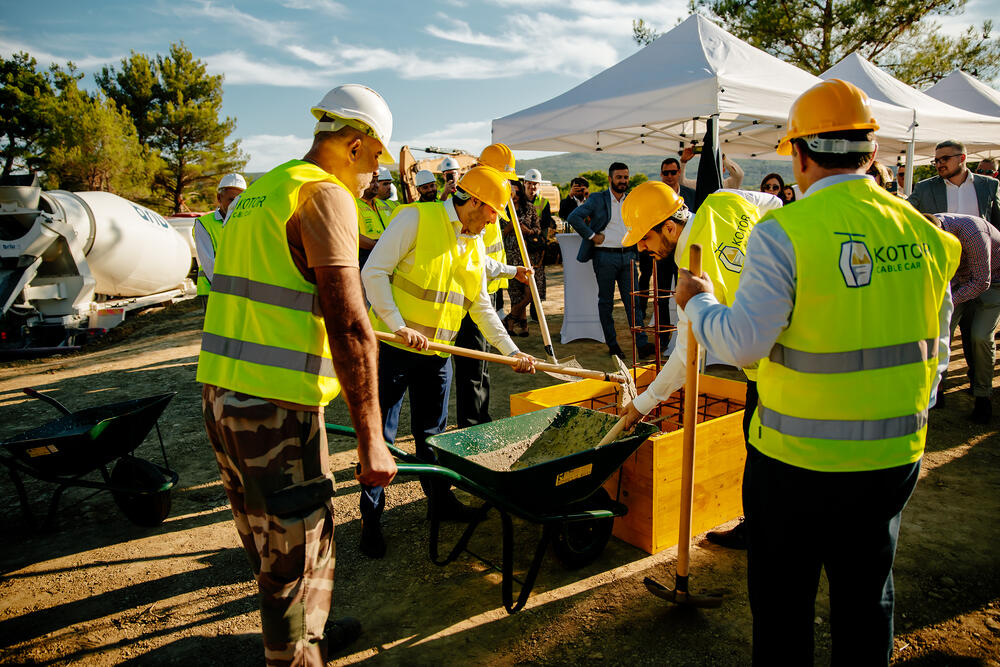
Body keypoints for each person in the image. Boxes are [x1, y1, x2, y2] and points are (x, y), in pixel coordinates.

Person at [675, 79, 960, 663]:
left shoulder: (784, 234)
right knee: (865, 600)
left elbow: (746, 344)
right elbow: (938, 343)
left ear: (800, 155)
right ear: (872, 153)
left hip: (795, 462)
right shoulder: (925, 233)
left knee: (784, 608)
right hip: (892, 455)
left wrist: (698, 304)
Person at [196, 84, 399, 665]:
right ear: (357, 145)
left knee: (270, 550)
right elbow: (351, 327)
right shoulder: (326, 194)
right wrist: (372, 441)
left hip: (222, 398)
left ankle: (305, 637)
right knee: (298, 561)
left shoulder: (265, 190)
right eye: (378, 156)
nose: (376, 171)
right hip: (276, 412)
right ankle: (296, 653)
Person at [360, 166, 536, 558]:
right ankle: (370, 519)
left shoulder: (473, 242)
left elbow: (481, 307)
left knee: (433, 435)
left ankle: (440, 503)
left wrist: (512, 352)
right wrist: (398, 325)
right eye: (492, 211)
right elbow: (373, 272)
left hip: (438, 355)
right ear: (473, 201)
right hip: (394, 349)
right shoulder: (415, 218)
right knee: (381, 438)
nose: (495, 220)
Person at [619, 181, 781, 550]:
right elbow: (774, 203)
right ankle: (765, 526)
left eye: (645, 239)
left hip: (770, 372)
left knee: (762, 457)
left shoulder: (689, 277)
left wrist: (642, 405)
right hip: (796, 349)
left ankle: (764, 532)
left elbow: (687, 356)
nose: (642, 249)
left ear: (670, 228)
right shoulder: (726, 200)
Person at [454, 142, 528, 429]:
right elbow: (475, 259)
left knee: (483, 364)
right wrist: (510, 271)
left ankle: (480, 417)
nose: (505, 187)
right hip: (475, 292)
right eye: (502, 178)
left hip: (491, 290)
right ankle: (472, 424)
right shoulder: (474, 205)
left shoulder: (491, 202)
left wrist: (508, 273)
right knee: (474, 365)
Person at [567, 161, 651, 360]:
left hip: (628, 256)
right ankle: (613, 345)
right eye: (619, 177)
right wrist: (592, 236)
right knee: (606, 303)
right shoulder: (597, 199)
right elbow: (574, 217)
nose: (623, 181)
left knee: (633, 303)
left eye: (626, 177)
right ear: (610, 179)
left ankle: (642, 344)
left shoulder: (631, 200)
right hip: (604, 256)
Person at [927, 213, 1000, 424]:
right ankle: (937, 388)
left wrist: (946, 302)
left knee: (980, 337)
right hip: (957, 282)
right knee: (939, 329)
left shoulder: (971, 232)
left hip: (992, 282)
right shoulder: (929, 228)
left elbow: (980, 282)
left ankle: (982, 394)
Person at [908, 140, 1000, 227]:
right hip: (942, 243)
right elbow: (903, 212)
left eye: (944, 159)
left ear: (962, 158)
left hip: (980, 243)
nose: (939, 165)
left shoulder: (989, 185)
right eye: (936, 161)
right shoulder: (924, 188)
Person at [193, 173, 246, 295]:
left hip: (240, 291)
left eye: (240, 200)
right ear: (219, 198)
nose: (235, 205)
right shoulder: (204, 223)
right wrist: (226, 290)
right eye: (231, 200)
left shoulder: (246, 222)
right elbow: (208, 263)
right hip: (213, 291)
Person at [503, 180, 543, 337]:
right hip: (510, 255)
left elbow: (538, 230)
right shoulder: (502, 210)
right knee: (515, 293)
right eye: (512, 193)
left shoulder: (530, 208)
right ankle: (521, 327)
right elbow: (499, 233)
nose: (516, 196)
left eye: (518, 192)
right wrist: (510, 226)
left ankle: (510, 319)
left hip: (528, 255)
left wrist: (529, 231)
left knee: (531, 292)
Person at [522, 169, 554, 322]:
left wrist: (542, 244)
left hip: (536, 247)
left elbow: (546, 227)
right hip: (520, 246)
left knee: (538, 280)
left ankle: (536, 314)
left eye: (535, 184)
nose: (532, 187)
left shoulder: (544, 203)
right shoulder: (517, 201)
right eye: (529, 184)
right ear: (524, 184)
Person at [357, 170, 389, 267]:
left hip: (384, 252)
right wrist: (378, 246)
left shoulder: (383, 204)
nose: (376, 185)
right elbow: (352, 235)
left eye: (377, 181)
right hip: (364, 255)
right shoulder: (352, 203)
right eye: (372, 182)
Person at [680, 147, 744, 189]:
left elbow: (739, 175)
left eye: (717, 166)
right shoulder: (697, 185)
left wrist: (723, 158)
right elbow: (681, 183)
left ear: (723, 170)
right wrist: (683, 161)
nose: (712, 169)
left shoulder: (729, 184)